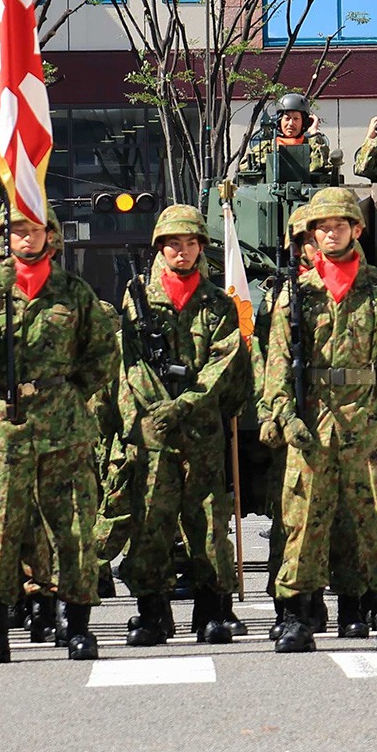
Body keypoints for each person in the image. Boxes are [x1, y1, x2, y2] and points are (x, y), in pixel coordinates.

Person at [0, 204, 119, 663]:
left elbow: (103, 354)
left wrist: (67, 393)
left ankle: (77, 624)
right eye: (17, 230)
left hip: (63, 426)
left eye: (34, 229)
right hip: (5, 425)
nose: (26, 237)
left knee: (74, 528)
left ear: (51, 236)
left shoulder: (73, 292)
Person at [258, 186, 377, 652]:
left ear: (356, 230)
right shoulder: (298, 294)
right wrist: (286, 414)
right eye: (323, 228)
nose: (331, 233)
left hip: (364, 419)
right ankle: (297, 617)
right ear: (313, 235)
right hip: (312, 422)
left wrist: (376, 400)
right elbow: (277, 362)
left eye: (339, 225)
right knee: (303, 520)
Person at [110, 204, 253, 646]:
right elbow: (131, 364)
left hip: (202, 428)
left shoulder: (218, 303)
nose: (183, 251)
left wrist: (186, 404)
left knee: (208, 521)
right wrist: (158, 408)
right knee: (152, 520)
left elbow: (225, 362)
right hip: (155, 428)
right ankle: (152, 613)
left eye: (191, 243)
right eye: (174, 244)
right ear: (160, 248)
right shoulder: (138, 298)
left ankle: (212, 611)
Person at [234, 92, 335, 182]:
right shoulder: (267, 146)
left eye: (296, 119)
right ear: (279, 121)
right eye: (287, 118)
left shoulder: (312, 146)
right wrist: (267, 162)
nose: (291, 123)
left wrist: (313, 133)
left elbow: (322, 165)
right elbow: (244, 167)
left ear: (303, 122)